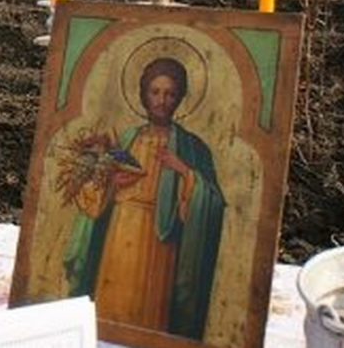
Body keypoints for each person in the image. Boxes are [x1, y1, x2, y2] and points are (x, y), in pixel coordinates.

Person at [64, 57, 225, 340]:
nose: (162, 100)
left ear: (180, 98)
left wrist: (185, 172)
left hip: (160, 239)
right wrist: (112, 183)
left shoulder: (191, 146)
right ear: (143, 94)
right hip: (119, 231)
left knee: (150, 310)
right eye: (155, 92)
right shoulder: (128, 137)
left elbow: (212, 201)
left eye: (170, 93)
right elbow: (96, 192)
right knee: (112, 306)